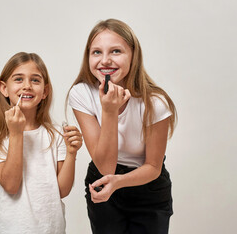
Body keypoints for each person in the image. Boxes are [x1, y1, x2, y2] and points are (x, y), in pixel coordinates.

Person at [67, 19, 177, 234]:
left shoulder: (155, 102)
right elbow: (106, 168)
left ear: (133, 56)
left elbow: (153, 167)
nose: (105, 61)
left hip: (148, 185)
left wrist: (119, 182)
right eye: (96, 52)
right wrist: (109, 111)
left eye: (116, 51)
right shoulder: (81, 94)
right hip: (103, 177)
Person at [0, 52, 83, 234]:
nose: (27, 86)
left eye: (35, 80)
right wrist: (16, 133)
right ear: (4, 88)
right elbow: (11, 186)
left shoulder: (55, 134)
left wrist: (71, 153)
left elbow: (61, 191)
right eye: (19, 79)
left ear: (45, 91)